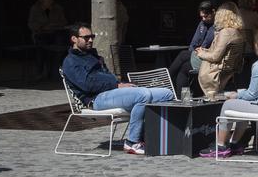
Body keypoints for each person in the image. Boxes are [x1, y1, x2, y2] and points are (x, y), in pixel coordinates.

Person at [61, 23, 175, 154]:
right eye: (86, 37)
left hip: (113, 92)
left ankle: (148, 136)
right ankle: (132, 142)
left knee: (166, 94)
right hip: (96, 99)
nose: (91, 40)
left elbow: (108, 76)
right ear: (74, 39)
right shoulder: (71, 62)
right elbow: (87, 85)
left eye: (92, 36)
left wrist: (122, 85)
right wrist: (116, 85)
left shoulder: (93, 55)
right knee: (142, 95)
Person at [200, 25, 258, 158]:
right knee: (241, 103)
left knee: (228, 104)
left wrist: (233, 94)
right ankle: (235, 144)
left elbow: (251, 95)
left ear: (255, 45)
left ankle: (220, 146)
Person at [196, 6, 246, 99]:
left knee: (184, 65)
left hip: (217, 67)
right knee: (183, 59)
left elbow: (215, 56)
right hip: (229, 66)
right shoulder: (239, 32)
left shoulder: (226, 32)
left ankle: (180, 97)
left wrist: (201, 54)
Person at [168, 1, 216, 94]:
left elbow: (207, 44)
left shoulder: (217, 26)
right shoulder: (202, 24)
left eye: (206, 16)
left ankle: (167, 78)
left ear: (213, 12)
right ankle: (180, 96)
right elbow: (194, 42)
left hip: (207, 58)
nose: (203, 19)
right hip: (198, 54)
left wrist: (197, 52)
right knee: (184, 66)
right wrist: (192, 54)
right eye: (201, 16)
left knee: (182, 55)